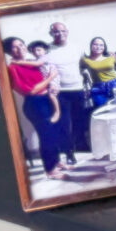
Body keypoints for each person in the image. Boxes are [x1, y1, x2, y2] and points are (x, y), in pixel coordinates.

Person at [2, 37, 68, 180]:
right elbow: (30, 90)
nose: (20, 48)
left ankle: (56, 161)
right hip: (35, 104)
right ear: (8, 51)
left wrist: (53, 83)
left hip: (48, 99)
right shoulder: (12, 68)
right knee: (46, 136)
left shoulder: (32, 62)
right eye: (14, 47)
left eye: (21, 44)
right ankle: (50, 170)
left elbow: (47, 73)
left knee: (54, 133)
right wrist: (51, 77)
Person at [43, 22, 88, 159]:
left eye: (62, 31)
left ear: (67, 32)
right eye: (56, 31)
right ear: (51, 34)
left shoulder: (77, 48)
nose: (60, 34)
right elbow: (42, 69)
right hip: (60, 92)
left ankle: (81, 146)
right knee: (65, 123)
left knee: (79, 120)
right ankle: (69, 152)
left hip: (78, 89)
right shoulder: (47, 50)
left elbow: (84, 65)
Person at [24, 42, 62, 124]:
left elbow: (37, 63)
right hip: (47, 78)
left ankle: (57, 112)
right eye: (34, 51)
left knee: (52, 95)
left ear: (45, 50)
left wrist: (21, 62)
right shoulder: (38, 59)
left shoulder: (45, 57)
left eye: (39, 50)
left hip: (53, 78)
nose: (36, 52)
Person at [80, 37, 116, 109]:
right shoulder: (85, 60)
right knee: (103, 111)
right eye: (95, 44)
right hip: (97, 88)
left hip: (115, 85)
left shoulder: (111, 57)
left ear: (104, 47)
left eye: (101, 45)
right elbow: (82, 73)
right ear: (91, 45)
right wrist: (86, 88)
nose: (98, 47)